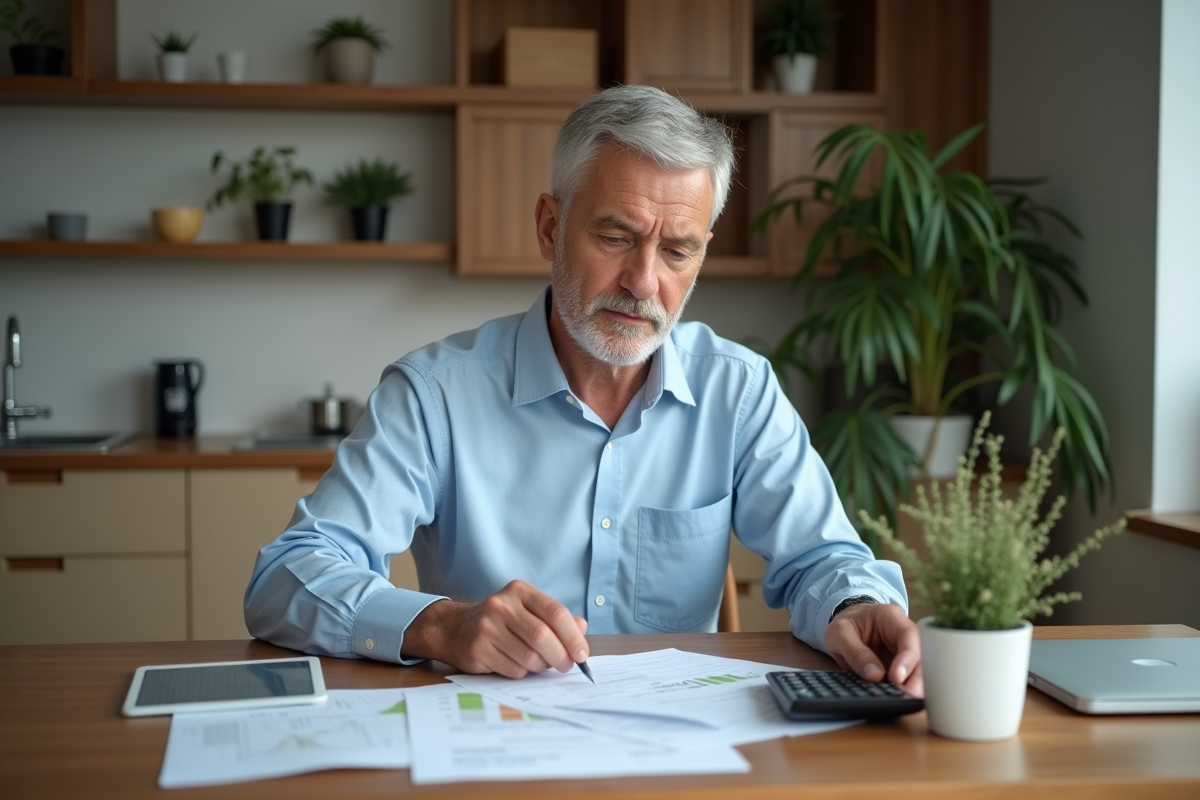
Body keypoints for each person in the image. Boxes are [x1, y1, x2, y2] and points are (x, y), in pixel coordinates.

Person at [245, 85, 922, 695]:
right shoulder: (433, 395)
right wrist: (440, 626)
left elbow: (825, 557)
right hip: (496, 748)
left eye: (677, 250)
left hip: (681, 753)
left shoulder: (737, 390)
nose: (643, 281)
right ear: (550, 227)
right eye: (615, 236)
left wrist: (853, 607)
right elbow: (287, 576)